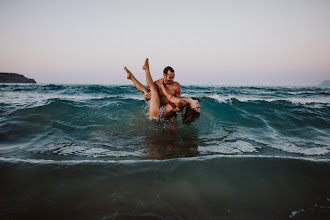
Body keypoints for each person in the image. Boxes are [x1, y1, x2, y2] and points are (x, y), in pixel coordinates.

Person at [124, 58, 200, 124]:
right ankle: (131, 76)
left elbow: (178, 102)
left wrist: (177, 109)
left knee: (152, 88)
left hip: (165, 112)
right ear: (164, 75)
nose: (172, 79)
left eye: (173, 77)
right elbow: (150, 95)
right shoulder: (157, 83)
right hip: (159, 107)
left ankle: (146, 69)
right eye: (170, 77)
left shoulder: (176, 87)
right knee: (147, 91)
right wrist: (146, 97)